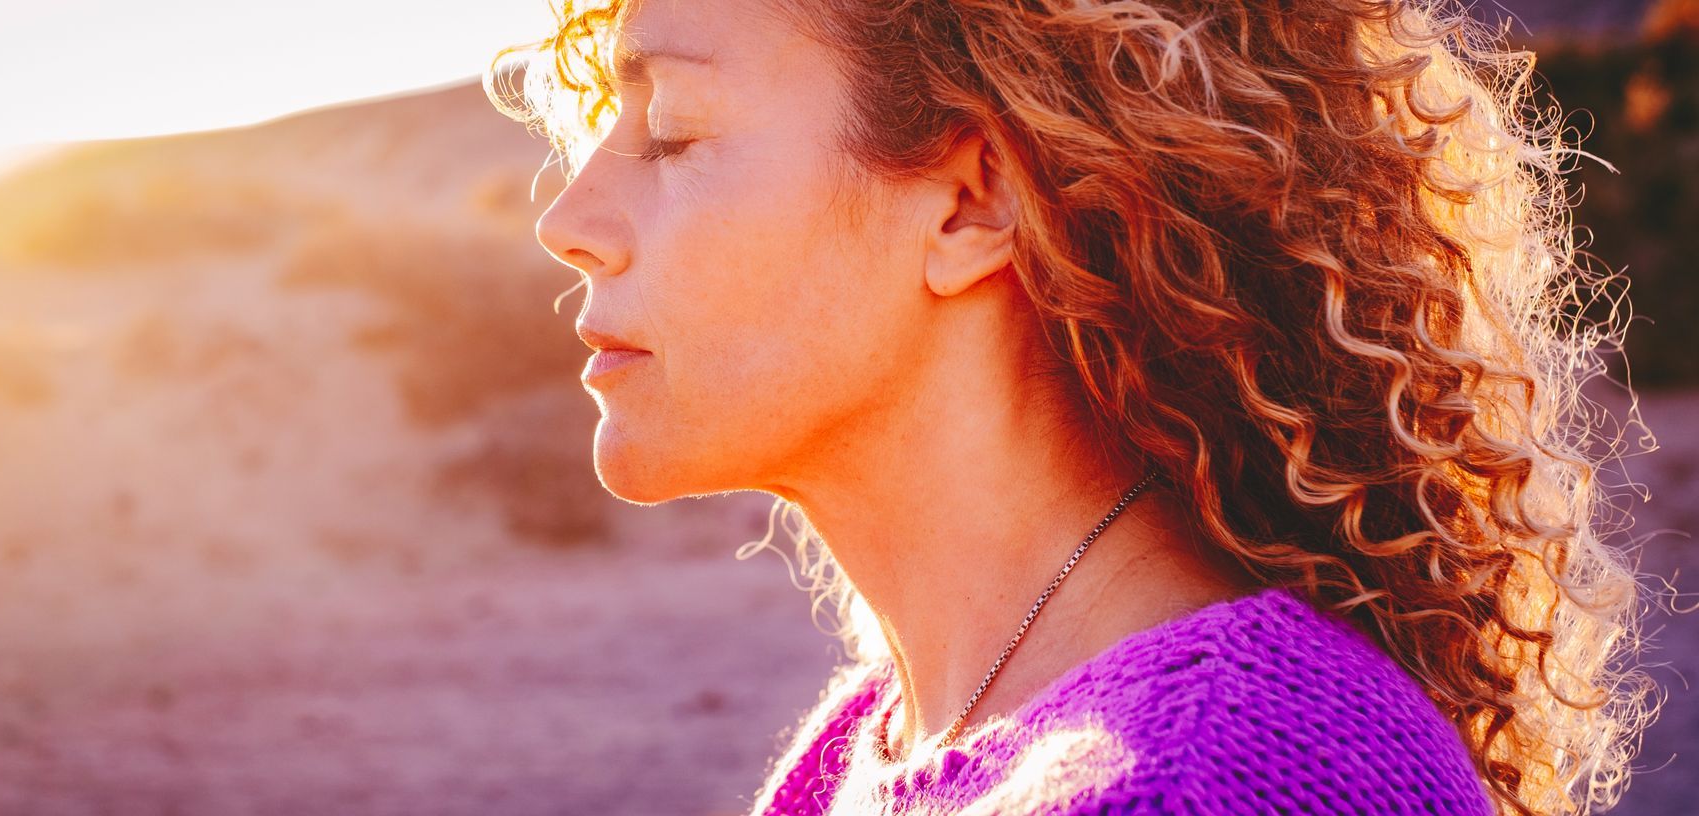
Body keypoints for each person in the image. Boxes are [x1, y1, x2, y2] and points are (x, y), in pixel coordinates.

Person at [484, 0, 1657, 813]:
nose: (566, 219)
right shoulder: (864, 750)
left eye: (672, 131)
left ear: (971, 204)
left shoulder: (1225, 774)